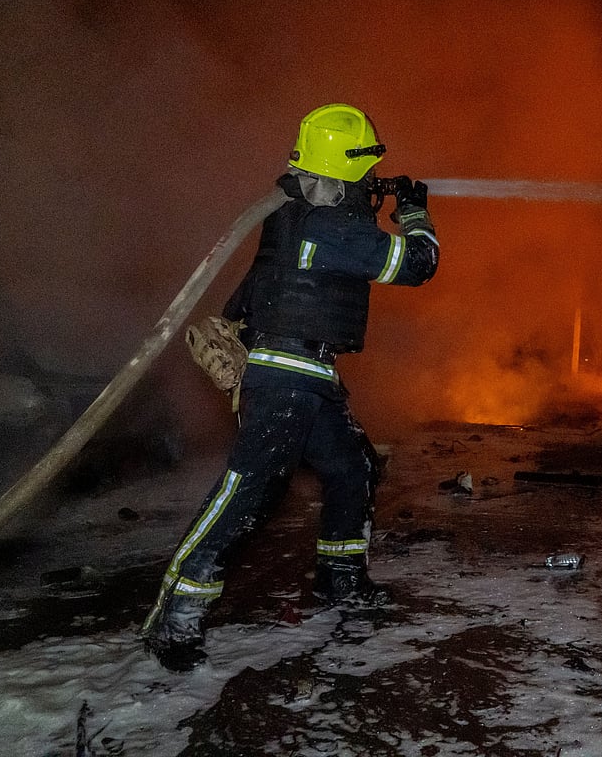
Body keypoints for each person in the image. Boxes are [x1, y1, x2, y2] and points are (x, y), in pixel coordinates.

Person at [141, 104, 439, 671]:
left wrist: (375, 199)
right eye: (366, 169)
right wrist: (415, 212)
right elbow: (417, 263)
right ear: (344, 169)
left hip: (309, 375)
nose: (372, 179)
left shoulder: (295, 217)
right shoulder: (329, 227)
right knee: (248, 491)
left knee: (354, 468)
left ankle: (341, 582)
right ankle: (175, 616)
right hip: (286, 379)